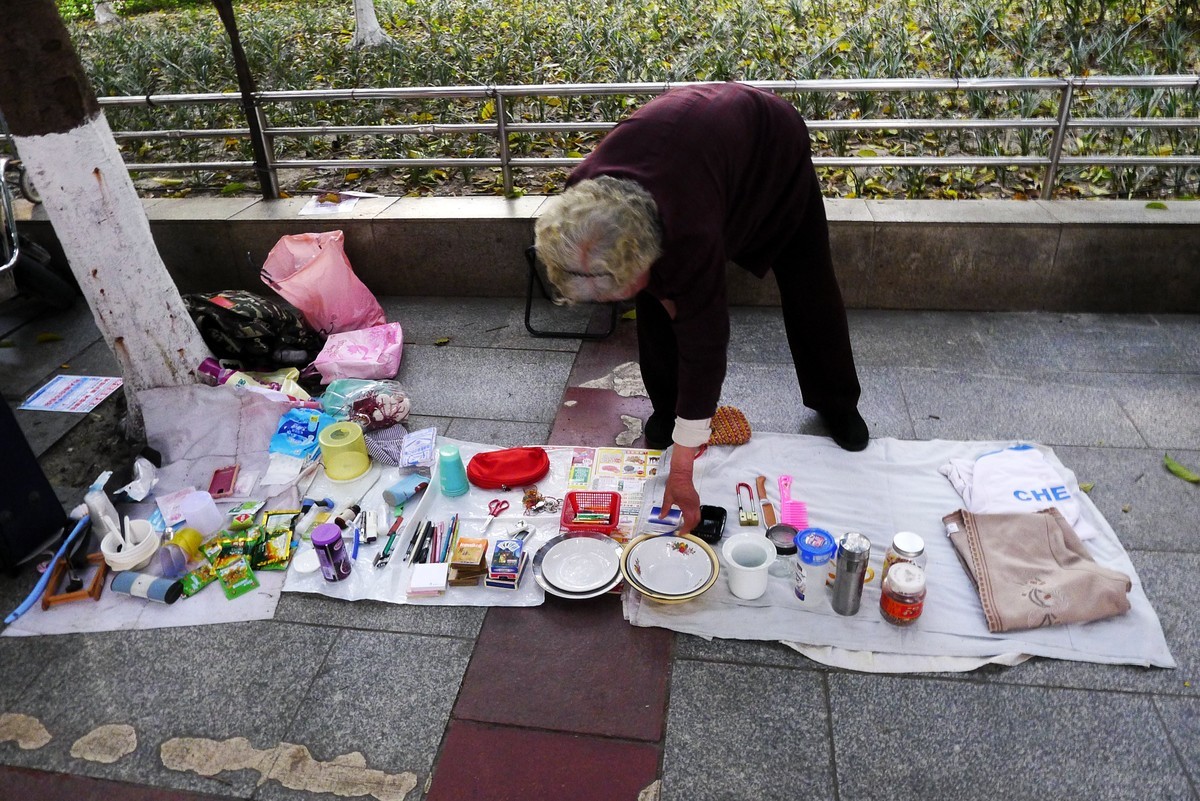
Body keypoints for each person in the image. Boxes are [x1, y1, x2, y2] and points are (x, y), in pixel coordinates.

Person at [534, 82, 867, 533]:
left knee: (809, 283)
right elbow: (650, 288)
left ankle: (837, 401)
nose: (618, 300)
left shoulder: (686, 234)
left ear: (647, 250)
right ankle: (667, 409)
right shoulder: (578, 206)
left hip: (768, 147)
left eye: (620, 288)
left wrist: (684, 466)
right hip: (694, 158)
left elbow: (706, 345)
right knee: (658, 302)